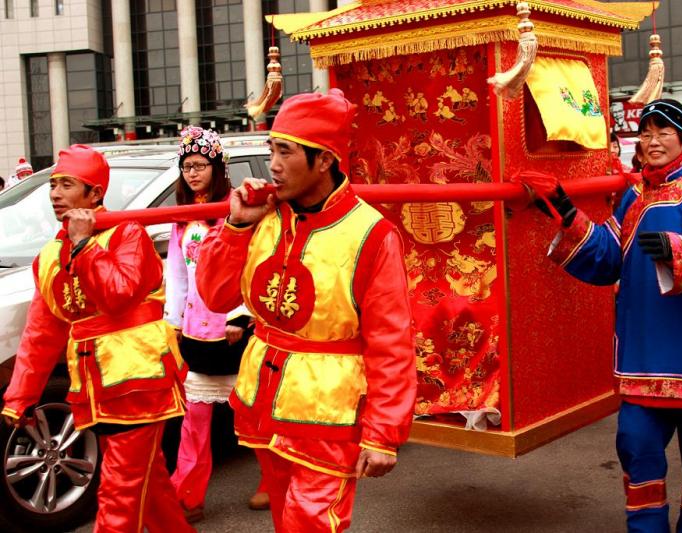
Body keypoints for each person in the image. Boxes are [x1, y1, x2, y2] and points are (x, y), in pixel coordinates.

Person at [195, 89, 416, 532]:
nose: (273, 164)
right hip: (264, 400)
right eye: (271, 150)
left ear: (325, 160)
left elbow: (392, 342)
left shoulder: (371, 235)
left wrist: (383, 432)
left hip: (328, 411)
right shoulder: (266, 217)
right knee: (284, 518)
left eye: (286, 151)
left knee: (311, 523)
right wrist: (236, 227)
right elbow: (216, 298)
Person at [522, 99, 682, 532]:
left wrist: (678, 252)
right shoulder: (633, 197)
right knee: (637, 456)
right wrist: (565, 210)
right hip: (643, 356)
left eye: (663, 132)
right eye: (646, 132)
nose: (653, 141)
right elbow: (607, 259)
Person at [0, 144, 194, 532]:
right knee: (148, 485)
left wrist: (86, 245)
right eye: (53, 185)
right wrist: (18, 398)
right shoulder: (52, 254)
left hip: (138, 381)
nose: (55, 194)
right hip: (94, 385)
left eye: (67, 184)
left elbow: (118, 295)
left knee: (119, 490)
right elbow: (41, 332)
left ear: (95, 194)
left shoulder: (128, 235)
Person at [165, 126, 271, 522]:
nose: (193, 173)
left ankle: (272, 481)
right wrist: (172, 320)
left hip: (233, 326)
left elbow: (248, 264)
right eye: (187, 166)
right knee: (194, 420)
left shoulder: (236, 208)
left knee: (251, 412)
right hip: (195, 327)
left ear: (217, 167)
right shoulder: (182, 215)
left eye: (200, 165)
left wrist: (238, 316)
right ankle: (187, 492)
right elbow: (176, 272)